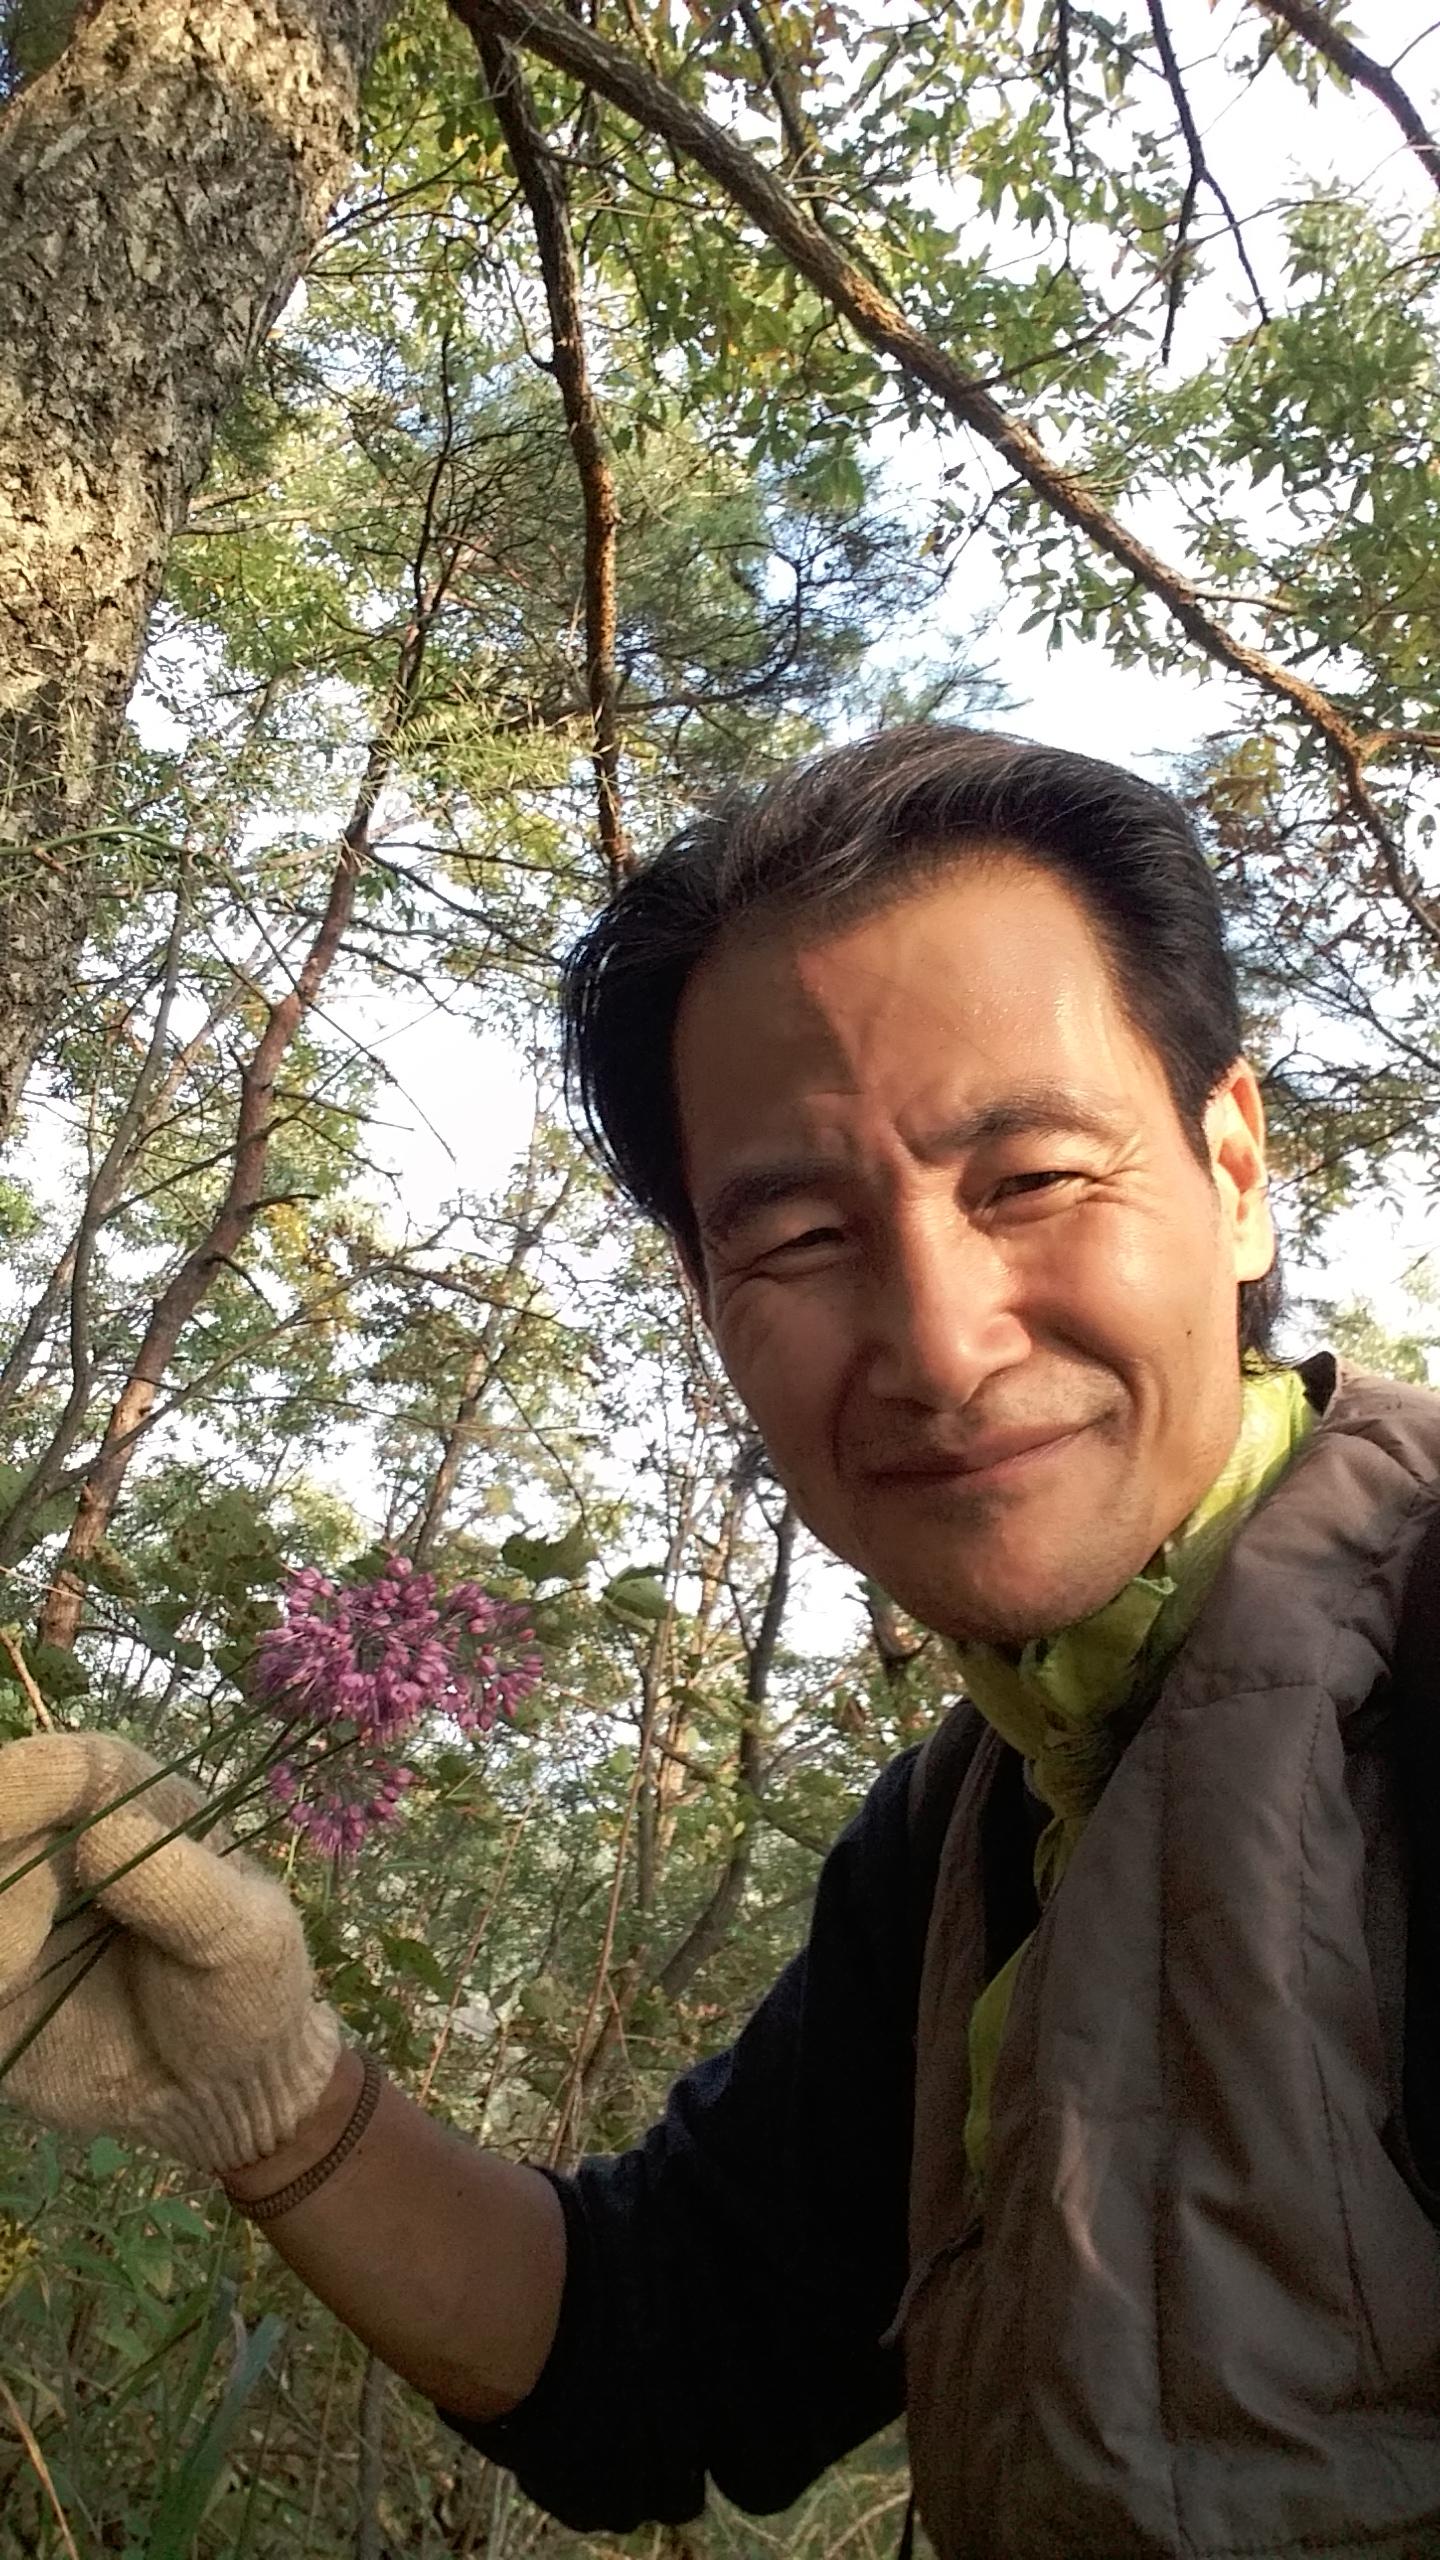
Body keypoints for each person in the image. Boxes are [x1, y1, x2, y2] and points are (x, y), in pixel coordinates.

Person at [3, 725, 1439, 2558]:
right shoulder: (969, 1828)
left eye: (1030, 1180)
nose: (941, 1345)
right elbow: (649, 2348)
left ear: (1232, 1168)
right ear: (708, 1298)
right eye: (804, 1235)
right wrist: (265, 2087)